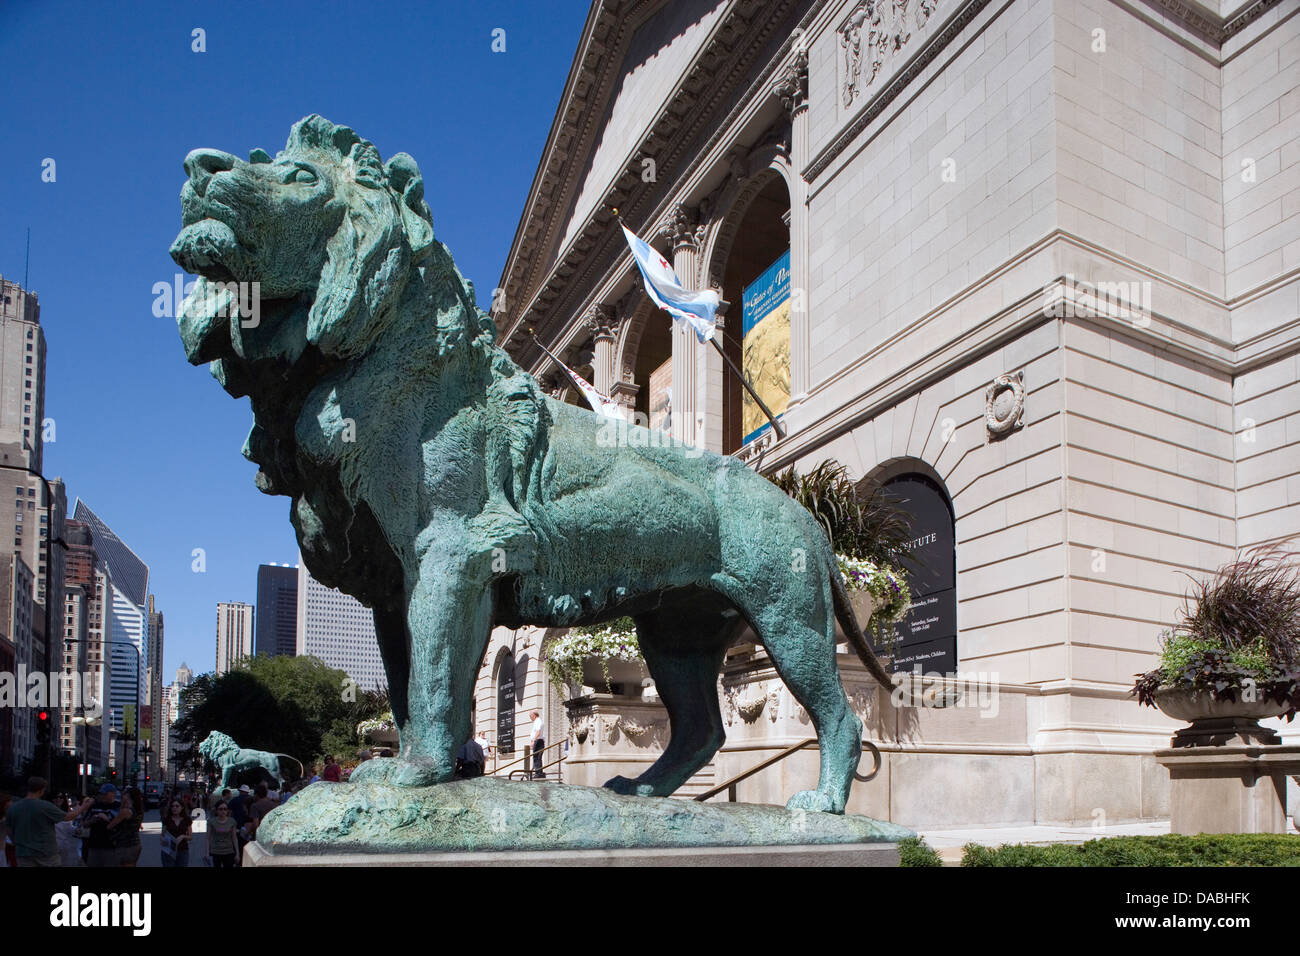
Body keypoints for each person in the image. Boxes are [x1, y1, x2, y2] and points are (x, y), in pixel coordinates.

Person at [3, 778, 92, 867]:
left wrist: (17, 842)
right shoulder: (45, 806)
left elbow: (9, 829)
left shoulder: (14, 808)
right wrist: (84, 806)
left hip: (23, 853)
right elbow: (67, 817)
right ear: (42, 790)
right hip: (45, 852)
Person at [78, 784, 123, 867]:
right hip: (93, 845)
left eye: (105, 794)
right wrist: (92, 820)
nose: (103, 796)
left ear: (112, 793)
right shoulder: (94, 806)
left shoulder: (118, 807)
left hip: (111, 847)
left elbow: (121, 825)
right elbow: (83, 823)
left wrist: (107, 819)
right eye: (101, 794)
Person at [110, 787, 144, 866]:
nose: (122, 795)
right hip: (135, 843)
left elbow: (110, 825)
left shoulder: (126, 811)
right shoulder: (138, 810)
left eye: (124, 794)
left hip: (125, 845)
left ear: (128, 796)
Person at [160, 798, 193, 867]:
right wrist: (163, 840)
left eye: (177, 806)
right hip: (169, 850)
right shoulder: (167, 819)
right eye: (172, 806)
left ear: (182, 807)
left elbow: (190, 837)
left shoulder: (187, 819)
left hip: (183, 850)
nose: (174, 808)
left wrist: (183, 836)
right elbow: (162, 835)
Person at [206, 801, 238, 867]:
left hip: (229, 851)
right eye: (220, 809)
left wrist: (237, 853)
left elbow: (234, 838)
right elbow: (207, 838)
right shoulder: (211, 822)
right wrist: (207, 853)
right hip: (215, 851)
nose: (223, 811)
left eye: (225, 809)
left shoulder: (232, 821)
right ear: (216, 810)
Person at [529, 710, 545, 778]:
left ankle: (538, 773)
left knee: (536, 757)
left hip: (538, 741)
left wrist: (533, 741)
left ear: (534, 715)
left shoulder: (538, 721)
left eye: (530, 716)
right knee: (538, 757)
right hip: (539, 741)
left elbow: (538, 732)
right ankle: (539, 772)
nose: (530, 718)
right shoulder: (537, 721)